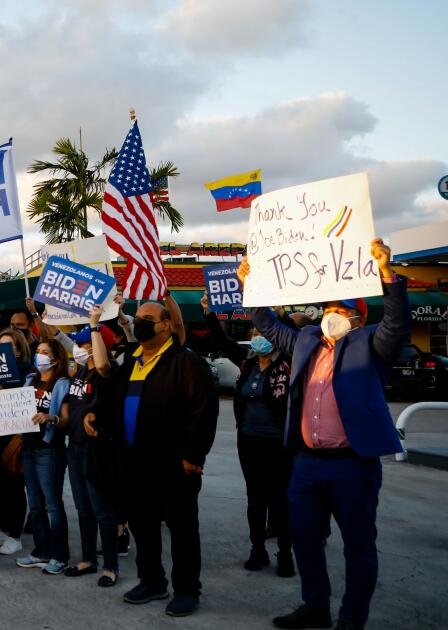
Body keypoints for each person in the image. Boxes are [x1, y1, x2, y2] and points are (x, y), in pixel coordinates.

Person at [241, 240, 410, 630]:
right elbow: (267, 323)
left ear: (358, 317)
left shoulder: (372, 344)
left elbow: (397, 323)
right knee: (303, 537)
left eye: (342, 309)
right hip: (307, 463)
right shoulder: (305, 342)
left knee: (358, 545)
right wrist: (252, 286)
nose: (332, 314)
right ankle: (315, 605)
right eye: (329, 308)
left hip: (353, 464)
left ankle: (352, 618)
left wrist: (386, 273)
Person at [115, 296, 218, 618]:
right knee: (143, 526)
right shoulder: (133, 359)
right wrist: (94, 415)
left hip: (174, 464)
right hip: (136, 461)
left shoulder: (184, 361)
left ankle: (187, 589)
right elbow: (115, 399)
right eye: (138, 317)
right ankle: (152, 581)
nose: (140, 321)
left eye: (147, 318)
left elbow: (204, 410)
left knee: (182, 528)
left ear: (166, 325)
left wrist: (193, 455)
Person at [202, 293, 295, 577]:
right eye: (254, 331)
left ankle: (285, 554)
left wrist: (280, 316)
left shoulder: (289, 361)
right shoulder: (248, 362)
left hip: (279, 443)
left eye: (262, 331)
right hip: (249, 441)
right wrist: (209, 313)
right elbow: (222, 342)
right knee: (255, 499)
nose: (257, 336)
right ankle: (258, 550)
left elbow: (298, 336)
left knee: (281, 500)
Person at [60, 309, 121, 588]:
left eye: (86, 346)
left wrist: (94, 326)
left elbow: (105, 367)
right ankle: (88, 559)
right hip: (75, 448)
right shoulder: (79, 374)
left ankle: (110, 565)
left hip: (98, 451)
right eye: (80, 346)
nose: (80, 351)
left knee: (102, 509)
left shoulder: (109, 374)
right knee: (83, 508)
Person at [16, 337, 73, 574]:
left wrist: (51, 418)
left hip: (49, 449)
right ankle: (41, 551)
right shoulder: (30, 380)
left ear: (56, 358)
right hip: (28, 447)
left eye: (44, 352)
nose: (39, 355)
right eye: (37, 351)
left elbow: (67, 419)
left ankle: (60, 556)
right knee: (36, 505)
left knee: (52, 505)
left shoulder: (62, 384)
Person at [0, 328, 33, 556]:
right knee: (2, 484)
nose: (2, 351)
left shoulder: (27, 372)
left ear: (19, 350)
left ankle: (15, 536)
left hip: (16, 437)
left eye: (8, 346)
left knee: (14, 486)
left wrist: (2, 393)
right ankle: (4, 528)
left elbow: (26, 401)